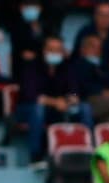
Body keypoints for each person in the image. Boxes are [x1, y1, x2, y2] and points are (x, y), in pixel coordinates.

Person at [16, 36, 88, 169]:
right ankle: (35, 156)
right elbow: (32, 95)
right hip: (28, 108)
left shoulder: (67, 67)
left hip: (58, 108)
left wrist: (68, 100)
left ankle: (87, 151)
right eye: (51, 49)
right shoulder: (31, 67)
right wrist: (55, 102)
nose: (55, 53)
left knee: (84, 108)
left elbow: (74, 92)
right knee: (38, 109)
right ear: (44, 51)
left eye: (58, 50)